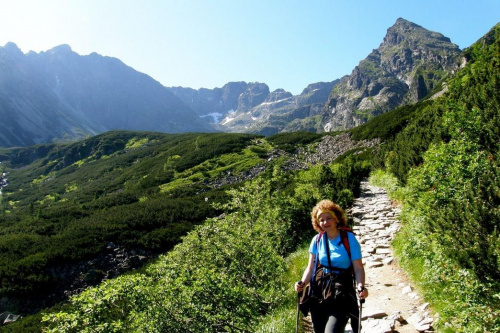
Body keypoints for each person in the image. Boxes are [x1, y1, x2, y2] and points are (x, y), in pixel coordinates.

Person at [295, 199, 368, 333]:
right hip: (319, 294)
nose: (325, 222)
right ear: (317, 223)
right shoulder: (317, 240)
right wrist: (302, 283)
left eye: (329, 218)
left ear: (337, 219)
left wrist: (360, 286)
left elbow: (358, 268)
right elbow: (310, 268)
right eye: (321, 220)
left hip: (341, 294)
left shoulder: (349, 239)